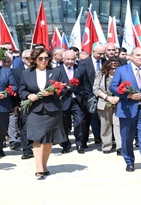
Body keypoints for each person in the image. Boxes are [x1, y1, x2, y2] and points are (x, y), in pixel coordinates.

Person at [109, 47, 141, 177]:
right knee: (127, 138)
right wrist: (127, 96)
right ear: (131, 56)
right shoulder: (122, 70)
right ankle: (129, 161)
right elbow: (113, 87)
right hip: (127, 110)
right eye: (138, 55)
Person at [18, 47, 68, 179]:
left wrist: (53, 92)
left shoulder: (56, 71)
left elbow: (64, 88)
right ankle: (39, 167)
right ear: (34, 59)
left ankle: (44, 165)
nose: (44, 60)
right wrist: (29, 96)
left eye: (46, 58)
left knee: (48, 139)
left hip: (52, 109)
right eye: (40, 58)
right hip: (35, 110)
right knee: (37, 137)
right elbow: (21, 91)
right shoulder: (26, 73)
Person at [55, 50, 89, 154]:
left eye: (72, 59)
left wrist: (87, 97)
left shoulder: (81, 69)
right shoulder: (57, 70)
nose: (70, 61)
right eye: (68, 59)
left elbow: (86, 85)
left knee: (79, 122)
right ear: (63, 59)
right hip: (63, 100)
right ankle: (66, 144)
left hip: (77, 100)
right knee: (64, 123)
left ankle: (79, 143)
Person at [78, 43, 106, 147]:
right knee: (86, 120)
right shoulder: (84, 64)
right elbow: (81, 81)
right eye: (99, 53)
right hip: (87, 96)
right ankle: (83, 141)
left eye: (103, 53)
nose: (102, 56)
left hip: (103, 96)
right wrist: (88, 95)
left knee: (103, 119)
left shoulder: (106, 62)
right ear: (93, 52)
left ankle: (101, 139)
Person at [93, 58, 122, 155]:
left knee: (118, 125)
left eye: (116, 68)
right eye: (112, 68)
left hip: (119, 102)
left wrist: (118, 98)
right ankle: (106, 146)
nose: (114, 70)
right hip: (104, 102)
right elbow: (96, 89)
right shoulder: (100, 75)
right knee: (105, 125)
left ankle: (120, 147)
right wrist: (107, 97)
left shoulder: (123, 75)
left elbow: (127, 88)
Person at [11, 49, 33, 158]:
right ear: (23, 59)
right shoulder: (15, 72)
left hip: (38, 102)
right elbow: (14, 89)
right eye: (28, 58)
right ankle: (27, 150)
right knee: (24, 126)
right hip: (22, 103)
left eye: (33, 57)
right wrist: (15, 104)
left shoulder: (39, 70)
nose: (31, 60)